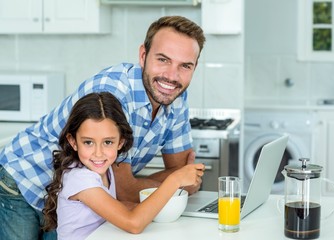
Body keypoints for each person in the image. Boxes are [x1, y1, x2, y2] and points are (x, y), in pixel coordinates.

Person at [0, 15, 206, 239]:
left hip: (74, 198)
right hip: (26, 178)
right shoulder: (112, 95)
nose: (172, 75)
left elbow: (185, 175)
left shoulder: (174, 95)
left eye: (185, 66)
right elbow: (126, 190)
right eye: (163, 60)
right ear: (143, 55)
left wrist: (162, 181)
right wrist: (173, 181)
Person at [42, 92, 204, 239]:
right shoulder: (80, 178)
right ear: (73, 142)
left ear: (120, 142)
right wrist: (174, 180)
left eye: (107, 142)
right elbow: (133, 224)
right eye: (88, 142)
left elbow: (119, 207)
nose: (98, 153)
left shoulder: (106, 170)